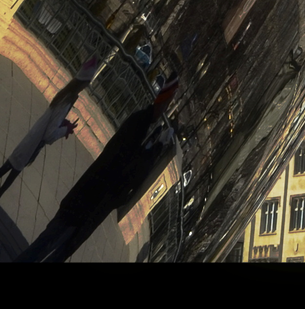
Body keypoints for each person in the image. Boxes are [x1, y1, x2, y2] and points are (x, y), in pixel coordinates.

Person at [12, 75, 181, 263]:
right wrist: (153, 152)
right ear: (162, 102)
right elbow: (127, 175)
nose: (165, 110)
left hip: (88, 199)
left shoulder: (141, 122)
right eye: (167, 105)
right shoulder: (140, 126)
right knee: (51, 244)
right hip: (89, 202)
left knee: (51, 242)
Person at [0, 55, 105, 236]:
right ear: (85, 84)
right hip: (29, 149)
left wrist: (62, 125)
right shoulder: (68, 101)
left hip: (27, 142)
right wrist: (65, 130)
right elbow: (49, 135)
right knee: (0, 188)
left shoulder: (64, 93)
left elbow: (49, 123)